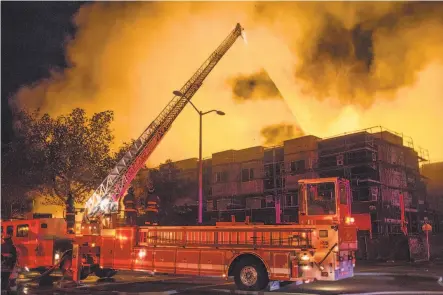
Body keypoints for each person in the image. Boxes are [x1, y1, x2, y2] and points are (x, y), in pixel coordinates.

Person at [1, 227, 17, 292]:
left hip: (1, 266)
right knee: (6, 278)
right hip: (8, 266)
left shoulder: (1, 246)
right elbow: (14, 257)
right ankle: (5, 290)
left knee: (2, 278)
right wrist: (13, 266)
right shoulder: (12, 247)